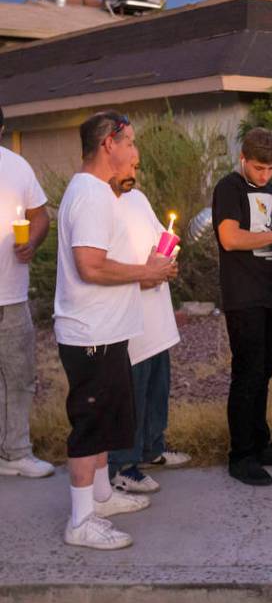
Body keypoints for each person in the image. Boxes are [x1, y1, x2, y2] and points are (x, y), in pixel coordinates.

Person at [55, 111, 177, 550]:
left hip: (104, 331)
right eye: (130, 143)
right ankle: (81, 520)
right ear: (109, 142)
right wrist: (143, 271)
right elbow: (90, 265)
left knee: (104, 421)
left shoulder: (95, 193)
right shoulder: (90, 194)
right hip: (90, 334)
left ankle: (102, 498)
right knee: (90, 426)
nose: (135, 153)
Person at [212, 127, 272, 487]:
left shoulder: (269, 189)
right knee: (246, 372)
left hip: (270, 291)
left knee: (264, 370)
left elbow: (265, 238)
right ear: (243, 159)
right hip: (243, 293)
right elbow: (230, 238)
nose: (265, 176)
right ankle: (241, 455)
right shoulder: (229, 188)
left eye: (271, 169)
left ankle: (260, 444)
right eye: (259, 168)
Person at [107, 183, 188, 494]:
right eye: (130, 157)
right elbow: (103, 264)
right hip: (131, 318)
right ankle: (123, 466)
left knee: (157, 386)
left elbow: (162, 240)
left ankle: (153, 448)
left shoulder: (138, 198)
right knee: (134, 394)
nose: (134, 169)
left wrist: (169, 263)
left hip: (156, 315)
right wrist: (144, 273)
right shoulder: (102, 204)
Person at [0, 105, 54, 479]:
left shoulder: (17, 166)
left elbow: (40, 215)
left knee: (18, 376)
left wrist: (32, 243)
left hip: (11, 295)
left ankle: (15, 452)